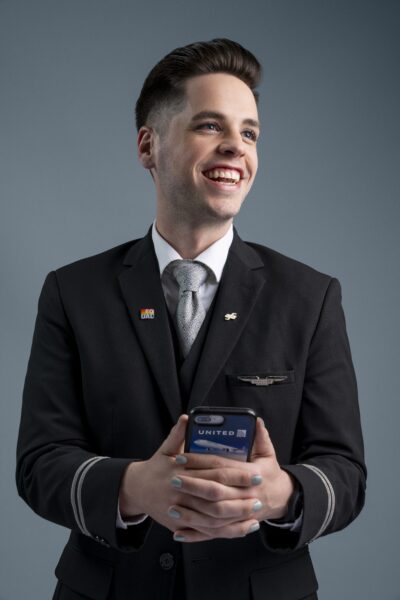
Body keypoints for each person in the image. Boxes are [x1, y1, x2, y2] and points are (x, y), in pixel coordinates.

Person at [16, 38, 366, 600]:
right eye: (210, 126)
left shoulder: (312, 296)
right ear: (148, 146)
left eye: (249, 132)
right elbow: (39, 464)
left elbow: (345, 473)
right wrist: (134, 488)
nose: (236, 147)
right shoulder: (72, 292)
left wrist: (277, 495)